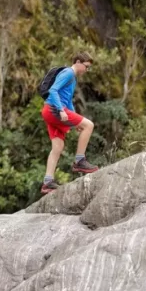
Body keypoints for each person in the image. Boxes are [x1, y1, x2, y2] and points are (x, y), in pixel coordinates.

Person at [40, 52, 98, 194]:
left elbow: (68, 101)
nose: (86, 70)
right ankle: (80, 161)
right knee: (89, 125)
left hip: (50, 110)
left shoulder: (72, 78)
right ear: (78, 62)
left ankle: (47, 182)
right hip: (54, 109)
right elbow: (53, 90)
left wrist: (75, 122)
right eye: (86, 66)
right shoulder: (68, 73)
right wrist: (60, 110)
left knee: (58, 147)